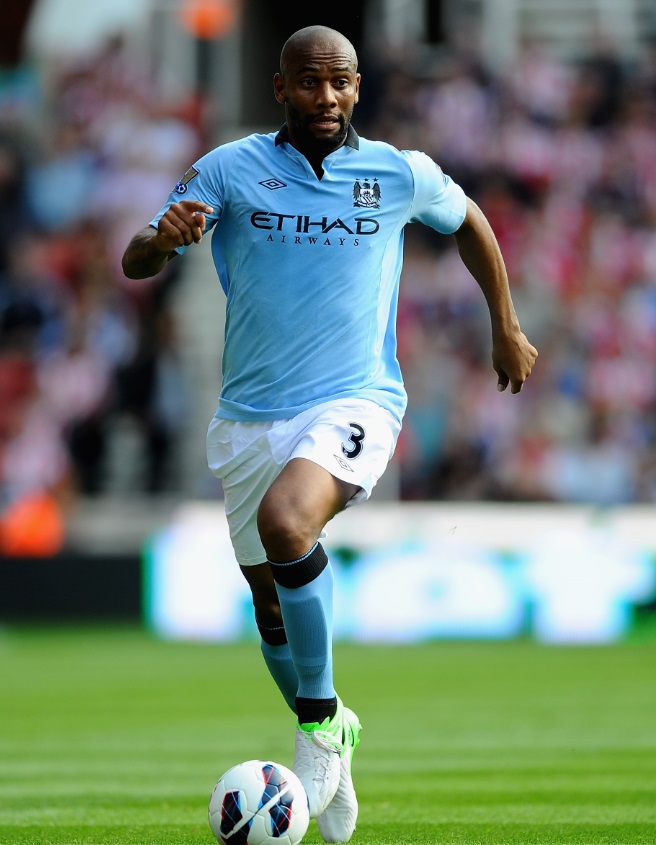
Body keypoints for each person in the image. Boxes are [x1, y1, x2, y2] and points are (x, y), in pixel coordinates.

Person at [122, 24, 538, 843]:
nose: (326, 97)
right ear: (281, 87)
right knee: (270, 608)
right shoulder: (229, 167)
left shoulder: (397, 172)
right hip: (248, 416)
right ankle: (334, 727)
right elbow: (137, 255)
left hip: (356, 400)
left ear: (356, 87)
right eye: (309, 81)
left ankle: (317, 727)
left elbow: (470, 220)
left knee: (289, 524)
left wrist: (506, 324)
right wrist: (161, 242)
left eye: (340, 81)